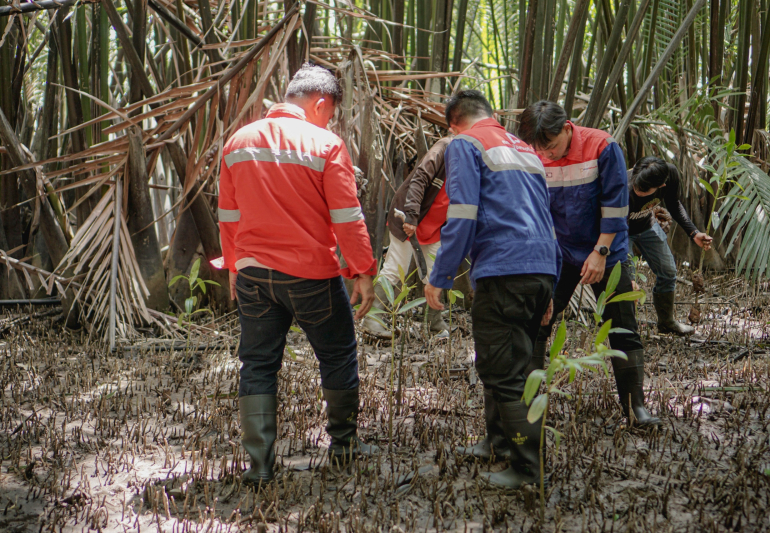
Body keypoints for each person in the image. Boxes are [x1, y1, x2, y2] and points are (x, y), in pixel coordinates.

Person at [218, 64, 378, 485]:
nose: (330, 121)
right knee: (338, 354)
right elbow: (347, 217)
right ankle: (344, 447)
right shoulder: (326, 144)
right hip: (311, 275)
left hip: (253, 274)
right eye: (331, 112)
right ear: (320, 103)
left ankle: (260, 465)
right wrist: (363, 270)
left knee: (257, 364)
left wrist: (234, 264)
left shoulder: (237, 142)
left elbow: (228, 215)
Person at [424, 90, 561, 489]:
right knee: (506, 360)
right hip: (537, 269)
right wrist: (549, 284)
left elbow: (462, 214)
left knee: (505, 374)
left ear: (453, 123)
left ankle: (526, 469)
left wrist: (442, 274)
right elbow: (544, 218)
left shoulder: (465, 144)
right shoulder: (526, 150)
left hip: (504, 269)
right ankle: (496, 441)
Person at [517, 100, 661, 428]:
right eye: (543, 150)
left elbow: (615, 205)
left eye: (552, 147)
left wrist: (601, 251)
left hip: (605, 251)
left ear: (568, 128)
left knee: (622, 326)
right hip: (558, 256)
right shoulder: (533, 154)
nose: (549, 156)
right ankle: (529, 406)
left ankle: (635, 408)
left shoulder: (603, 146)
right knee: (537, 321)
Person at [363, 137, 453, 339]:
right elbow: (420, 177)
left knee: (436, 272)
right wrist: (411, 216)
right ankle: (373, 320)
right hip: (408, 220)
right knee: (396, 267)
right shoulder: (446, 147)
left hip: (436, 226)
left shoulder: (476, 156)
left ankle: (434, 323)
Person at [628, 157, 713, 335]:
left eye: (643, 190)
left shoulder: (670, 175)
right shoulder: (623, 185)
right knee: (627, 282)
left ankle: (666, 322)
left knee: (668, 271)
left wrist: (694, 233)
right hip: (619, 231)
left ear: (661, 186)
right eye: (636, 185)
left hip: (646, 225)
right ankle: (626, 329)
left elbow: (674, 205)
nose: (637, 190)